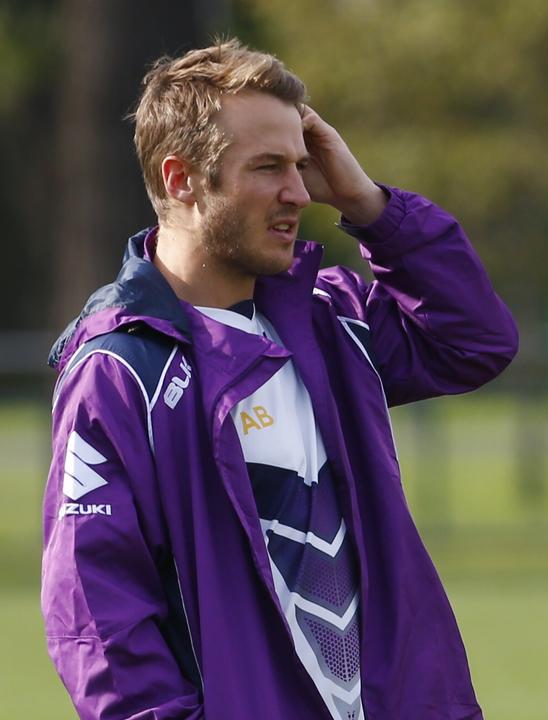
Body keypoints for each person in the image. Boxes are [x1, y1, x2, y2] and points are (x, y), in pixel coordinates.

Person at [41, 39, 516, 720]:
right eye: (267, 167)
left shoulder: (328, 317)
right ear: (181, 180)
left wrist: (370, 203)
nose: (299, 191)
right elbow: (95, 609)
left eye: (301, 163)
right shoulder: (120, 370)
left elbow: (473, 340)